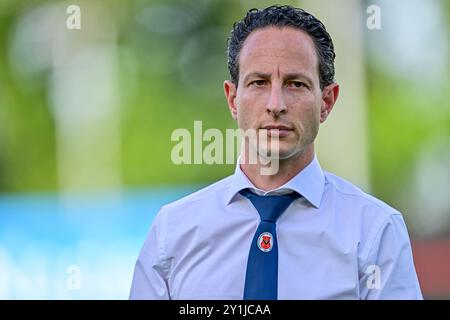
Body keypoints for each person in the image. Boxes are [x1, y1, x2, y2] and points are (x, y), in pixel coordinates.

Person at [129, 5, 422, 300]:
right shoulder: (173, 233)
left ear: (326, 102)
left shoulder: (375, 231)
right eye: (259, 82)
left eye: (296, 84)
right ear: (233, 99)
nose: (276, 104)